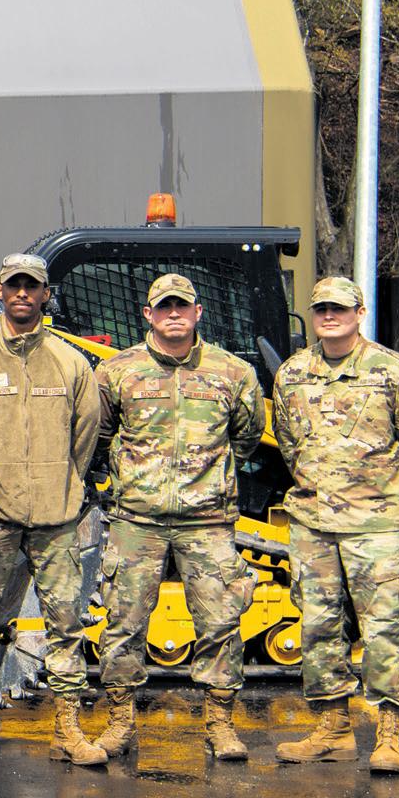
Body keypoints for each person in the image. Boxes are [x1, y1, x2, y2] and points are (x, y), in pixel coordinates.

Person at [0, 252, 104, 766]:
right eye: (14, 286)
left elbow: (85, 436)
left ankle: (68, 729)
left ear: (46, 294)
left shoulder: (72, 365)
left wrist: (59, 484)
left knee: (66, 622)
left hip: (56, 519)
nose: (23, 294)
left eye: (32, 286)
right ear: (1, 293)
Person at [270, 276, 399, 774]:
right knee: (319, 626)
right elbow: (287, 439)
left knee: (384, 626)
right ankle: (333, 729)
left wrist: (383, 491)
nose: (329, 316)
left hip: (378, 524)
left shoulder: (393, 372)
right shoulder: (293, 373)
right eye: (321, 308)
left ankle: (389, 734)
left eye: (339, 309)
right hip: (313, 520)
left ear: (359, 312)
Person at [93, 272, 263, 761]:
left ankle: (219, 724)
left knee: (221, 622)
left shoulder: (232, 373)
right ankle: (121, 722)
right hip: (136, 520)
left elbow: (247, 437)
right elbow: (100, 435)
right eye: (163, 306)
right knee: (124, 623)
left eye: (182, 306)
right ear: (147, 314)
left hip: (207, 520)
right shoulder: (118, 372)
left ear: (197, 313)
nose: (173, 314)